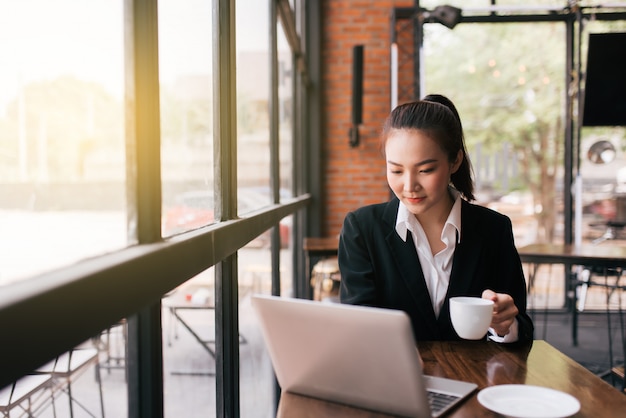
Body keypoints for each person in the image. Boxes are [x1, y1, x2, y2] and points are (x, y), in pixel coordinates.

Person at [338, 94, 534, 343]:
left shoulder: (493, 230)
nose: (409, 186)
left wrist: (504, 325)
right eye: (396, 170)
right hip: (395, 379)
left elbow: (522, 326)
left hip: (474, 378)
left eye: (425, 170)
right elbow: (358, 322)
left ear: (455, 161)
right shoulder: (362, 229)